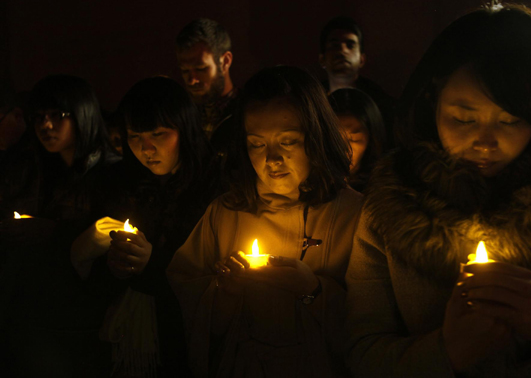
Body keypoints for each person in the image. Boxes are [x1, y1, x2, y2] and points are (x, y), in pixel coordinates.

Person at [346, 3, 531, 378]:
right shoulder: (390, 211)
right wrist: (446, 351)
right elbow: (361, 354)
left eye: (510, 119)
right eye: (463, 118)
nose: (485, 142)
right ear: (432, 102)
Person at [167, 66, 363, 377]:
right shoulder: (226, 212)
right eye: (257, 144)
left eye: (287, 141)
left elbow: (373, 323)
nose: (272, 160)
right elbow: (185, 304)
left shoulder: (355, 215)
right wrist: (224, 294)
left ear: (317, 136)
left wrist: (312, 290)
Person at [90, 76, 218, 377]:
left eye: (158, 134)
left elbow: (212, 271)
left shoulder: (213, 185)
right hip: (128, 332)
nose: (146, 148)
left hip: (190, 334)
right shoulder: (121, 182)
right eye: (134, 137)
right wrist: (115, 264)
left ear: (184, 129)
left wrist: (154, 263)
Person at [0, 74, 119, 377]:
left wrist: (54, 232)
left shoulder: (111, 174)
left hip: (86, 322)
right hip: (35, 317)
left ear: (82, 113)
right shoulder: (35, 169)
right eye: (39, 117)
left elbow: (112, 239)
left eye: (58, 115)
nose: (46, 126)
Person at [319, 16, 397, 148]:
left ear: (362, 59)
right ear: (322, 59)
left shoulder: (381, 104)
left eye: (350, 45)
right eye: (334, 45)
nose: (342, 50)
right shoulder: (313, 102)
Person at [176, 18, 238, 158]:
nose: (191, 80)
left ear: (225, 62)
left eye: (201, 69)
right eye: (185, 71)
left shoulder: (247, 114)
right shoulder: (182, 118)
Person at [328, 88, 386, 192]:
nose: (342, 148)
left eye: (353, 139)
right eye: (334, 138)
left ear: (371, 141)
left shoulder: (380, 192)